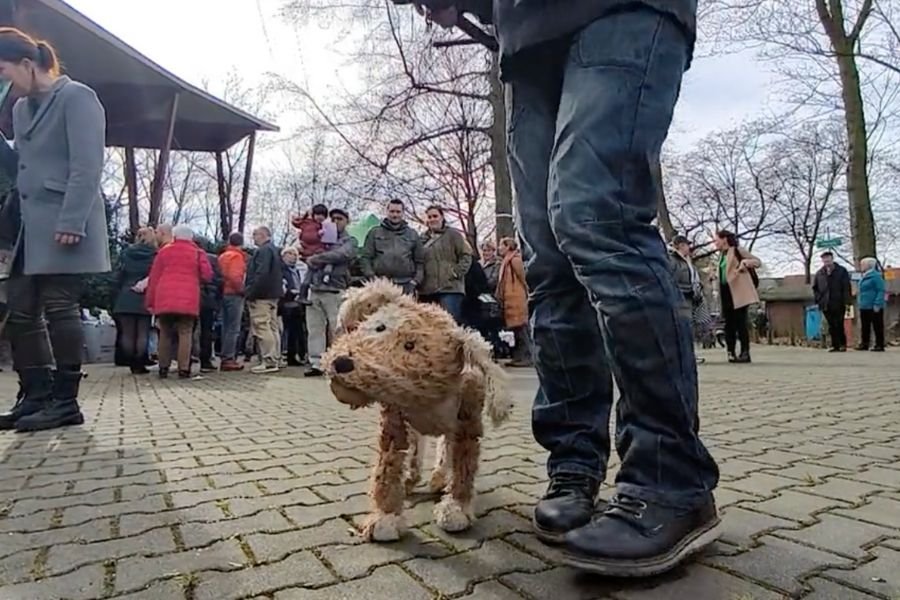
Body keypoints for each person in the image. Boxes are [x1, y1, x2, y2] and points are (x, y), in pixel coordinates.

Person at [421, 0, 720, 576]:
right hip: (527, 37)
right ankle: (574, 461)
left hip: (623, 12)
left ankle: (669, 478)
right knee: (549, 263)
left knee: (596, 218)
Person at [0, 29, 109, 432]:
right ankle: (36, 394)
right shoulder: (21, 110)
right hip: (31, 226)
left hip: (67, 222)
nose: (3, 80)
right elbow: (23, 167)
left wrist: (71, 220)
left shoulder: (77, 98)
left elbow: (87, 165)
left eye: (4, 70)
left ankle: (66, 401)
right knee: (21, 310)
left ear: (27, 64)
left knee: (59, 307)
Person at [144, 225, 212, 379]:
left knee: (165, 333)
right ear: (191, 238)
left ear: (174, 236)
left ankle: (163, 368)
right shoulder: (197, 253)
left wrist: (150, 302)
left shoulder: (164, 251)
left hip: (164, 298)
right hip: (188, 298)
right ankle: (184, 369)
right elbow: (207, 275)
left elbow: (154, 278)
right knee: (186, 332)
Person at [304, 208, 357, 377]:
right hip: (315, 288)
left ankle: (339, 361)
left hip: (335, 289)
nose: (335, 222)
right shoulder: (320, 238)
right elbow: (306, 251)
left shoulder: (350, 241)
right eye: (332, 219)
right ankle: (316, 362)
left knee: (337, 328)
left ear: (347, 221)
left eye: (339, 219)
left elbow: (342, 255)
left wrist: (317, 258)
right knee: (315, 329)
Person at [112, 227, 157, 375]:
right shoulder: (155, 255)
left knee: (127, 333)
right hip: (145, 295)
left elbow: (118, 275)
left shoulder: (126, 253)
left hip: (126, 294)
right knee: (143, 332)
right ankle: (139, 363)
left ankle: (130, 361)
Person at [419, 205, 473, 323]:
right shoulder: (422, 239)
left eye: (435, 216)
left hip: (450, 289)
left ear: (442, 217)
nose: (433, 219)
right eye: (430, 217)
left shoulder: (454, 235)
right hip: (427, 290)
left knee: (450, 324)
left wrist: (455, 272)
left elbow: (466, 255)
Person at [714, 230, 761, 363]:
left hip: (738, 292)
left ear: (724, 239)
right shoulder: (721, 255)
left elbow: (757, 262)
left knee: (741, 323)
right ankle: (731, 352)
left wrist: (745, 263)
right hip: (725, 292)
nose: (715, 243)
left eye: (716, 240)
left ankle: (745, 352)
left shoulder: (737, 251)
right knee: (729, 324)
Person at [360, 198, 424, 295]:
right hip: (380, 285)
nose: (395, 215)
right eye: (392, 211)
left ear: (403, 213)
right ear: (387, 212)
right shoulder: (375, 232)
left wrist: (415, 281)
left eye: (398, 212)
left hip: (406, 285)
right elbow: (365, 258)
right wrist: (372, 277)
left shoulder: (413, 234)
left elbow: (420, 262)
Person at [246, 226, 283, 374]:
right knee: (273, 327)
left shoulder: (263, 251)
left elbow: (261, 273)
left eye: (255, 235)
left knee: (262, 326)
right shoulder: (274, 250)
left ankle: (268, 360)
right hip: (273, 295)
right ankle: (275, 358)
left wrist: (251, 292)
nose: (253, 238)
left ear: (262, 235)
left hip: (261, 295)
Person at [668, 235, 706, 364]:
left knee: (688, 327)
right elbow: (671, 278)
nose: (689, 247)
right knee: (684, 327)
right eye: (687, 245)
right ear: (681, 245)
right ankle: (686, 356)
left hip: (690, 296)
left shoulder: (686, 260)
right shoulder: (672, 260)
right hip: (681, 297)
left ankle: (687, 355)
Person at [495, 237, 531, 367]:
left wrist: (527, 294)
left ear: (508, 246)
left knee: (521, 328)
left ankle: (527, 356)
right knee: (516, 329)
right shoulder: (506, 261)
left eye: (501, 245)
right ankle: (519, 356)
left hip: (517, 298)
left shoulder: (515, 260)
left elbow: (524, 278)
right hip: (510, 298)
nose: (499, 248)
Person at [292, 204, 336, 301]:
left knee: (311, 273)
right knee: (311, 272)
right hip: (310, 253)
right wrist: (318, 235)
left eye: (323, 215)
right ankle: (307, 291)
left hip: (317, 252)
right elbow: (308, 237)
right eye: (318, 215)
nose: (320, 217)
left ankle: (307, 291)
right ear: (313, 215)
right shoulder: (308, 224)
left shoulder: (322, 225)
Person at [218, 233, 247, 371]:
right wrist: (242, 290)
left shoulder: (223, 256)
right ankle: (228, 358)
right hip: (234, 295)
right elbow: (235, 277)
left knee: (225, 327)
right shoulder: (237, 256)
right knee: (233, 328)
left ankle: (224, 355)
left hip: (223, 293)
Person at [813, 251, 852, 352]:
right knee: (831, 325)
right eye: (824, 260)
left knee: (839, 323)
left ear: (832, 259)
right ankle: (835, 345)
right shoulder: (820, 273)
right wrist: (818, 299)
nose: (826, 262)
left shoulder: (841, 271)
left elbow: (846, 287)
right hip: (825, 303)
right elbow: (815, 288)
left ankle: (843, 344)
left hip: (838, 302)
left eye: (828, 259)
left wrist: (847, 301)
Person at [198, 239, 224, 373]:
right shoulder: (214, 259)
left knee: (186, 330)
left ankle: (184, 359)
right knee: (206, 330)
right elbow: (220, 280)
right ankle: (205, 361)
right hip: (209, 298)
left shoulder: (190, 255)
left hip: (191, 296)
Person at [280, 246, 308, 366]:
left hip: (297, 303)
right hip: (285, 303)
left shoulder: (297, 270)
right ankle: (285, 352)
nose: (293, 256)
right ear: (283, 255)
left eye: (295, 254)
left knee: (297, 331)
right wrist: (289, 292)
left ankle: (295, 354)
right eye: (290, 253)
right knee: (286, 330)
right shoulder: (281, 269)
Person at [856, 256, 885, 352]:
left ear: (869, 265)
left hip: (874, 305)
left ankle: (879, 344)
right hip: (864, 305)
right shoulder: (863, 276)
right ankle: (865, 343)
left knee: (877, 325)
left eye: (862, 264)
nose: (861, 266)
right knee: (865, 326)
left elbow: (881, 290)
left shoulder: (876, 276)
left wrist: (877, 303)